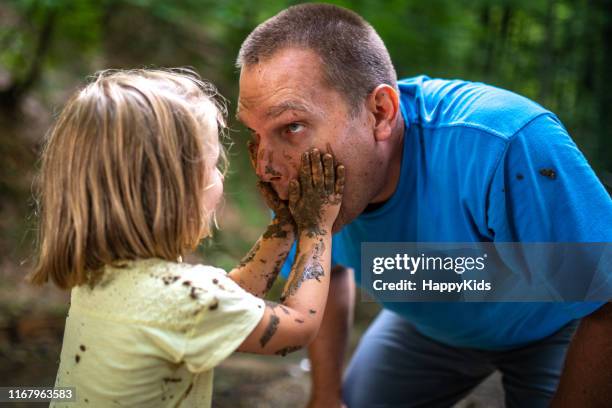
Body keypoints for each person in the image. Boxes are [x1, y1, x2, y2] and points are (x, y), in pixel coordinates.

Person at [235, 3, 612, 407]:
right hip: (430, 325)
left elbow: (607, 294)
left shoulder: (501, 143)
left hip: (557, 326)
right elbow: (329, 274)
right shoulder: (299, 175)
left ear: (380, 113)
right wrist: (326, 396)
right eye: (257, 134)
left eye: (292, 126)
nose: (266, 167)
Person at [30, 68, 345, 407]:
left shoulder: (104, 277)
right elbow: (298, 326)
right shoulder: (182, 299)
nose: (220, 174)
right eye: (212, 164)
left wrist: (285, 224)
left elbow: (229, 298)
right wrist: (316, 226)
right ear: (174, 189)